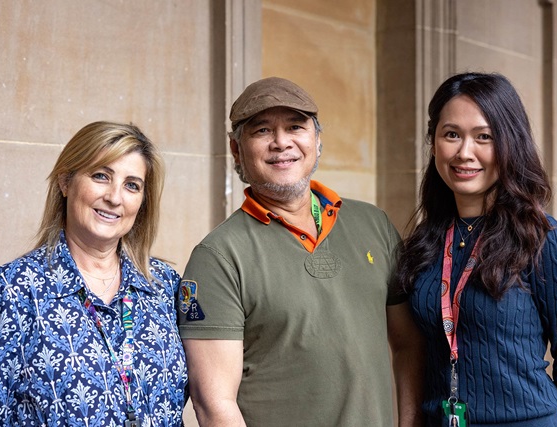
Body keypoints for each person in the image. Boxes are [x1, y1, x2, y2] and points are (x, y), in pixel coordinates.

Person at [177, 76, 424, 426]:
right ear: (236, 150)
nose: (281, 143)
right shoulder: (218, 257)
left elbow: (408, 345)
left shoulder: (374, 224)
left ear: (317, 141)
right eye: (262, 131)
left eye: (295, 126)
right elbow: (214, 404)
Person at [394, 72, 557, 426]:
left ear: (510, 144)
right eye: (451, 134)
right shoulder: (427, 240)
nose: (464, 153)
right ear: (434, 142)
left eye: (484, 137)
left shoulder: (545, 242)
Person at [0, 121, 188, 426]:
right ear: (66, 182)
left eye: (132, 185)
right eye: (101, 176)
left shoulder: (166, 286)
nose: (115, 197)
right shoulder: (10, 291)